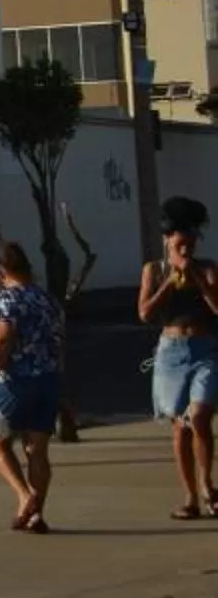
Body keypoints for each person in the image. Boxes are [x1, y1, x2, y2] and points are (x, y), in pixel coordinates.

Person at [0, 243, 62, 533]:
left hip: (15, 381)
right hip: (48, 380)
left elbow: (3, 340)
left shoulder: (8, 299)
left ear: (1, 271)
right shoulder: (47, 300)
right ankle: (37, 514)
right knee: (37, 449)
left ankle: (26, 497)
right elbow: (60, 343)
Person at [142, 201, 218, 517]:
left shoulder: (208, 267)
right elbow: (145, 312)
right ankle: (189, 498)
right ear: (166, 240)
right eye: (179, 243)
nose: (186, 248)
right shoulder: (154, 270)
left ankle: (207, 484)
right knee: (180, 427)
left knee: (199, 416)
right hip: (170, 352)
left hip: (205, 349)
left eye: (191, 242)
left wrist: (198, 280)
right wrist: (171, 282)